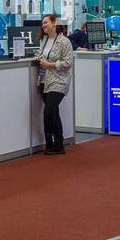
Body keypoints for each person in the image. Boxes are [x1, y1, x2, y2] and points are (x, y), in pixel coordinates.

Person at [36, 14, 74, 154]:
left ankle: (51, 142)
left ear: (54, 23)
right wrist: (39, 58)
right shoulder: (44, 40)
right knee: (54, 113)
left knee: (49, 111)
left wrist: (50, 65)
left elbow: (68, 62)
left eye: (46, 22)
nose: (43, 25)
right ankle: (58, 144)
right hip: (46, 80)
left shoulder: (64, 42)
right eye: (43, 23)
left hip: (60, 81)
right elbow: (41, 55)